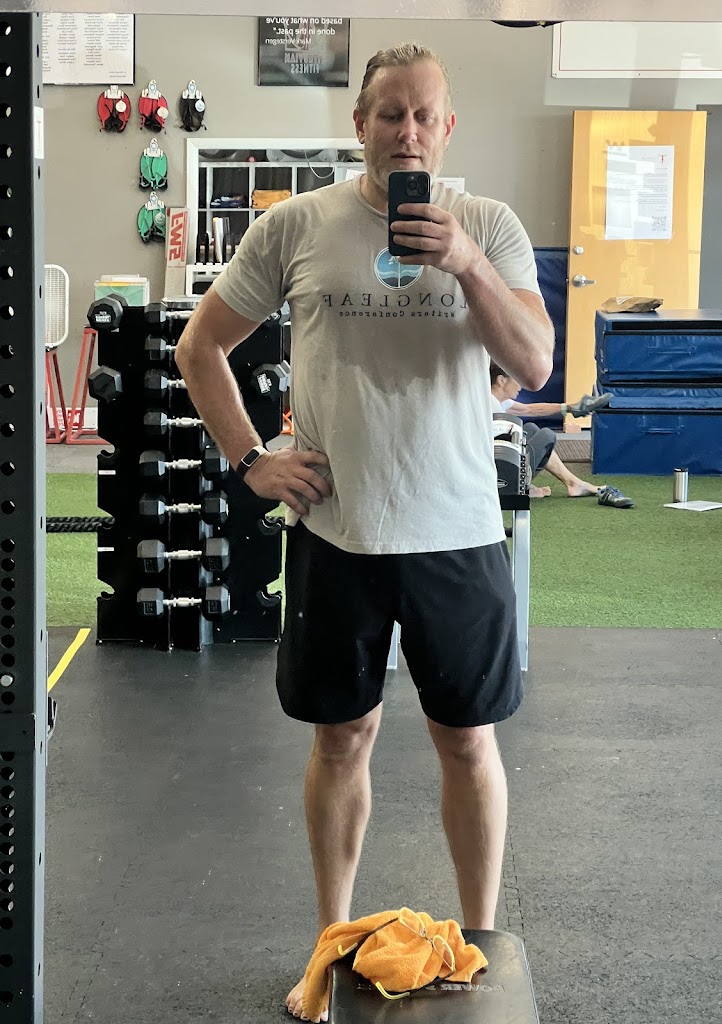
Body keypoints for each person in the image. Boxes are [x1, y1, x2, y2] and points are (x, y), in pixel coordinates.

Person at [175, 43, 554, 1023]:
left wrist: (465, 263)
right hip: (337, 532)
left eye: (425, 115)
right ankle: (330, 941)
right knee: (342, 737)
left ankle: (478, 946)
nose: (408, 132)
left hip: (457, 530)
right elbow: (200, 345)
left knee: (467, 740)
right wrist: (252, 459)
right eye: (390, 114)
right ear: (360, 125)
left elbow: (535, 363)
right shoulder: (296, 226)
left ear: (448, 127)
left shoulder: (490, 226)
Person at [490, 362, 634, 507]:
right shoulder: (491, 405)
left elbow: (529, 409)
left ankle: (573, 483)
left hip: (498, 467)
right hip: (498, 477)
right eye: (516, 379)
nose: (520, 386)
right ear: (501, 380)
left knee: (531, 429)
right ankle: (520, 486)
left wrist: (571, 407)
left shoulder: (497, 400)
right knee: (547, 435)